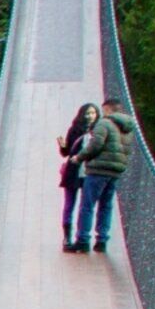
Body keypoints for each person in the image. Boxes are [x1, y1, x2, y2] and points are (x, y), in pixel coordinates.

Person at [73, 103, 132, 252]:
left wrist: (79, 158)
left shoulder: (104, 123)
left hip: (98, 170)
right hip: (115, 172)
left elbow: (95, 144)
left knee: (87, 205)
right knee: (106, 205)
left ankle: (83, 240)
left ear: (108, 108)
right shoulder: (128, 127)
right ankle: (102, 240)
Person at [58, 102, 97, 249]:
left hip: (89, 172)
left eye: (93, 113)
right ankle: (67, 237)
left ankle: (82, 237)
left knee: (85, 205)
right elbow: (66, 152)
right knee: (69, 204)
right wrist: (62, 146)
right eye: (87, 113)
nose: (90, 116)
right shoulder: (74, 129)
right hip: (73, 171)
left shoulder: (99, 130)